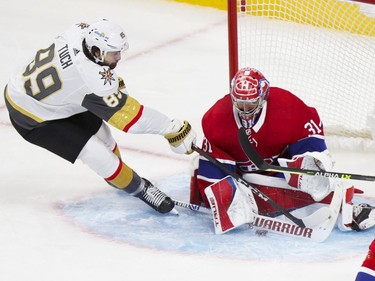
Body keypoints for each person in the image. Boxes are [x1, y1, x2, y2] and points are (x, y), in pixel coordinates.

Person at [4, 19, 196, 214]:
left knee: (103, 136)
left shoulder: (79, 33)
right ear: (96, 52)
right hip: (31, 116)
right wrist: (172, 129)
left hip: (52, 94)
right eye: (114, 53)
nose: (119, 57)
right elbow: (133, 120)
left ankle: (119, 179)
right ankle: (141, 189)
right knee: (97, 154)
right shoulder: (91, 81)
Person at [189, 67, 375, 233]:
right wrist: (226, 192)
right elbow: (216, 159)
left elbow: (311, 139)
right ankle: (235, 200)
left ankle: (347, 205)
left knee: (311, 174)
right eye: (240, 104)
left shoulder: (288, 107)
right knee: (212, 169)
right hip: (244, 175)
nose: (245, 110)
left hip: (279, 168)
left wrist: (314, 164)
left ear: (263, 97)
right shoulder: (215, 118)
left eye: (251, 104)